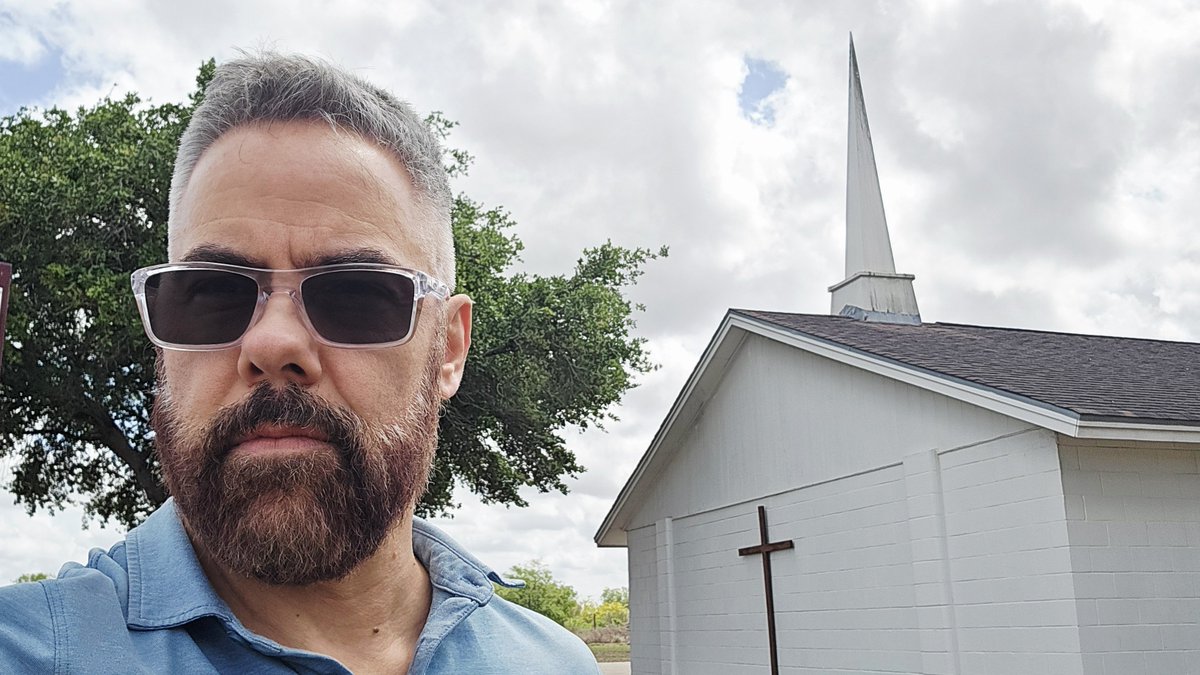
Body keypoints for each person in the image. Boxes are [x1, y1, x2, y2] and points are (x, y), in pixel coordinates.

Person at [0, 52, 599, 674]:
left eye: (355, 295)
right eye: (211, 295)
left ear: (448, 349)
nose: (272, 345)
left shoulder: (553, 664)